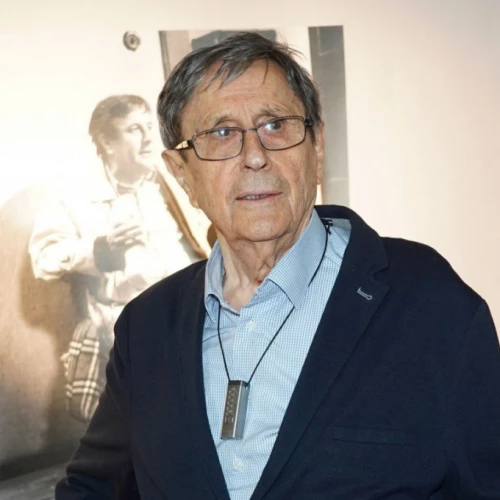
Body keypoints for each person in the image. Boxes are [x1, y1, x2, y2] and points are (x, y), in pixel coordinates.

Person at [55, 33, 500, 499]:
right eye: (222, 133)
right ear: (182, 173)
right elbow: (91, 489)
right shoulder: (146, 327)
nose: (254, 156)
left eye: (276, 125)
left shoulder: (428, 301)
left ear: (317, 145)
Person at [29, 95, 210, 422]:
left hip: (194, 316)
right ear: (107, 143)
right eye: (134, 129)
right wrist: (99, 251)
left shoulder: (172, 182)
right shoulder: (72, 194)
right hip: (130, 327)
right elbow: (44, 257)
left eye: (148, 126)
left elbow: (206, 238)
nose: (148, 137)